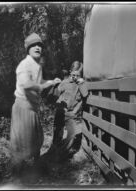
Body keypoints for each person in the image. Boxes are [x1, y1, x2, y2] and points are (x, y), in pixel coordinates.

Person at [10, 32, 61, 175]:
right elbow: (27, 85)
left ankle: (36, 170)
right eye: (34, 45)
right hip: (23, 106)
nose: (38, 47)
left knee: (37, 138)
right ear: (28, 48)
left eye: (39, 45)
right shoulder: (24, 64)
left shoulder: (36, 65)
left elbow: (39, 82)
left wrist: (52, 82)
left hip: (32, 107)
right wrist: (43, 86)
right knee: (22, 143)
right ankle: (17, 175)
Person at [52, 61, 88, 160]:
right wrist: (55, 85)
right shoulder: (65, 82)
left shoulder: (81, 83)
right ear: (70, 72)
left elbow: (84, 95)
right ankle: (54, 149)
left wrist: (82, 83)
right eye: (73, 74)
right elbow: (55, 94)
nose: (75, 77)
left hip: (71, 112)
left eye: (78, 75)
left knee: (72, 133)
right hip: (61, 110)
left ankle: (62, 154)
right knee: (57, 131)